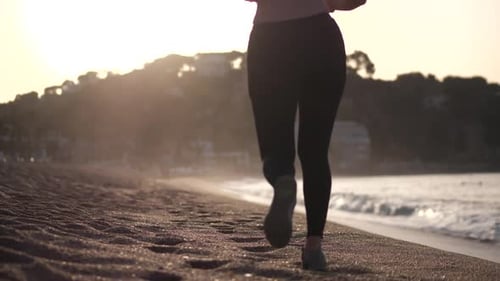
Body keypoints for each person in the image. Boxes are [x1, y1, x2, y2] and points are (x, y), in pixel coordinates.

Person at [245, 0, 367, 271]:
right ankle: (313, 248)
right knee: (315, 150)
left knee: (274, 137)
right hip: (322, 37)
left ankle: (283, 180)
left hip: (270, 40)